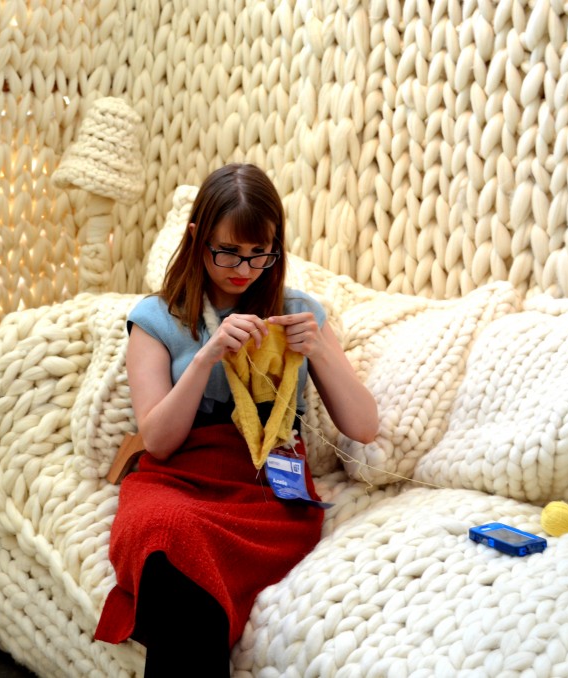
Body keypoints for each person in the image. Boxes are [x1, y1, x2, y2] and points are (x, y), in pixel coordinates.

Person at [94, 163, 379, 676]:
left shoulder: (297, 312)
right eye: (227, 251)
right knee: (166, 532)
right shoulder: (157, 319)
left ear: (276, 247)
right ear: (196, 239)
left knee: (178, 584)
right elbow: (157, 441)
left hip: (267, 489)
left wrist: (318, 348)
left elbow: (362, 426)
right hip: (177, 478)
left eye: (258, 254)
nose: (243, 269)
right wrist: (205, 360)